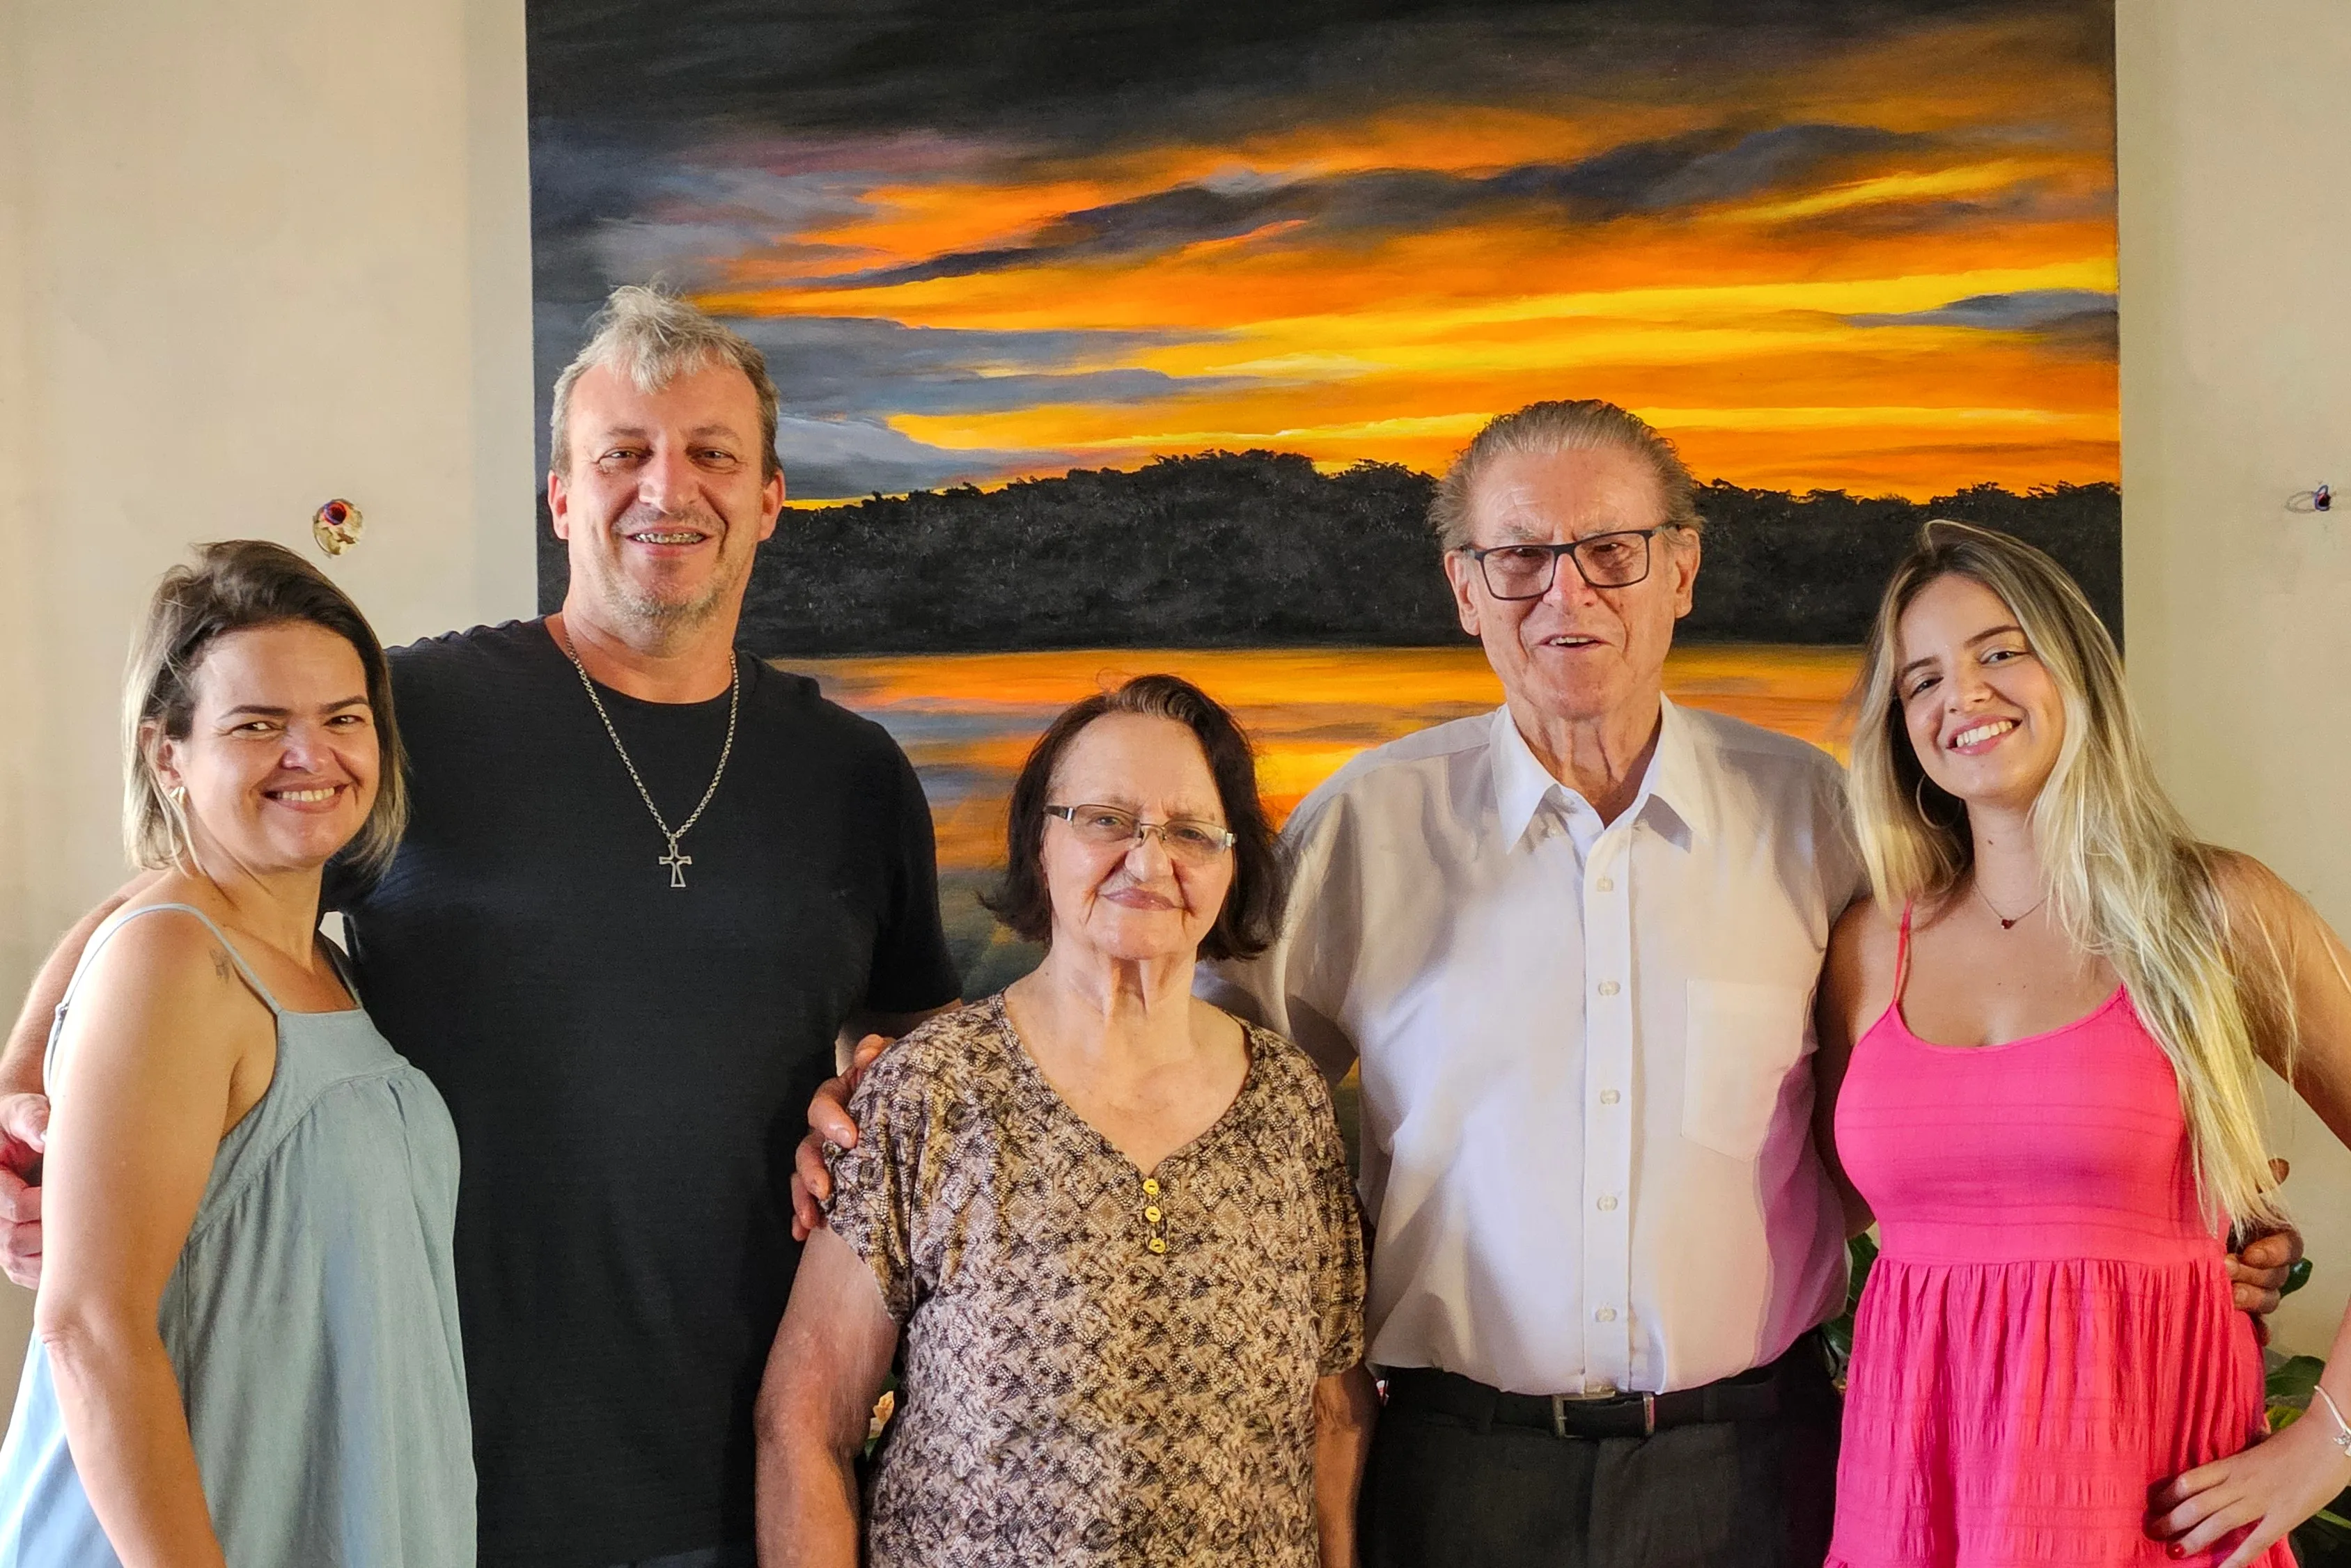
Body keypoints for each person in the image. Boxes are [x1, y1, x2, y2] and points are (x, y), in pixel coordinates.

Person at [787, 399, 2307, 1568]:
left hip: (1757, 1463)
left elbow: (1967, 1077)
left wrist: (2165, 1215)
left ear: (1681, 568)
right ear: (1463, 587)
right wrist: (896, 1104)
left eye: (1610, 549)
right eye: (1515, 555)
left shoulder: (1820, 822)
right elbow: (1153, 1048)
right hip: (1456, 1471)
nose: (1562, 589)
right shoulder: (1364, 827)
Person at [0, 288, 962, 1568]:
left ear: (770, 497)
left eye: (711, 454)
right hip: (432, 1465)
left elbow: (918, 1047)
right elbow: (189, 894)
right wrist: (25, 1083)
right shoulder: (411, 716)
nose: (666, 488)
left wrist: (870, 1092)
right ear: (560, 498)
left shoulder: (853, 775)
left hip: (754, 1470)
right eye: (621, 453)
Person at [1814, 520, 2351, 1568]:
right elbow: (1817, 1209)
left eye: (1999, 651)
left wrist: (2326, 1445)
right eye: (1922, 679)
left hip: (2140, 1506)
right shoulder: (1869, 944)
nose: (1962, 695)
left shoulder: (2217, 911)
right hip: (1909, 1508)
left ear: (2077, 667)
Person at [758, 674, 1377, 1567]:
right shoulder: (930, 1090)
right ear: (1038, 844)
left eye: (1191, 831)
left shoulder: (1288, 1102)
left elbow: (1333, 1411)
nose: (1148, 861)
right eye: (1105, 819)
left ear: (1232, 863)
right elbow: (807, 1423)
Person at [0, 541, 472, 1565]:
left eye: (343, 718)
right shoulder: (173, 959)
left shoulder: (324, 965)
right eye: (257, 724)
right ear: (167, 755)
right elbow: (88, 1331)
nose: (312, 755)